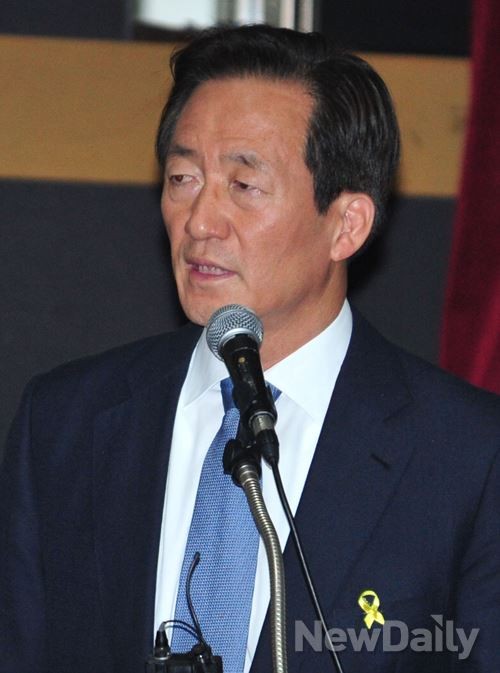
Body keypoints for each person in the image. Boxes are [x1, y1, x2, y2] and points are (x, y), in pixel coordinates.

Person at [1, 24, 499, 673]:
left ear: (346, 224)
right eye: (183, 177)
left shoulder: (467, 457)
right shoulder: (65, 423)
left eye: (243, 186)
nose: (199, 221)